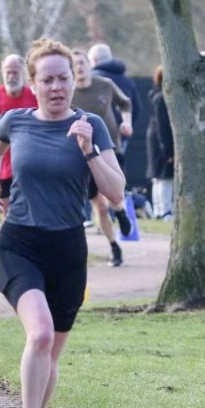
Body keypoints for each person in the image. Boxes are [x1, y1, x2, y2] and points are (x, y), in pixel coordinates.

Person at [0, 38, 125, 408]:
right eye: (48, 79)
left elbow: (115, 192)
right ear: (34, 83)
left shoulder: (91, 124)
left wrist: (89, 151)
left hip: (67, 251)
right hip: (18, 244)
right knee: (38, 334)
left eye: (64, 78)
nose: (57, 86)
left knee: (51, 354)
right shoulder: (15, 121)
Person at [71, 49, 134, 266]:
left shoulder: (105, 85)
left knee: (114, 195)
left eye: (82, 63)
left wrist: (127, 122)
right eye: (74, 64)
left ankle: (122, 212)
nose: (79, 67)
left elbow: (125, 103)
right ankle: (115, 247)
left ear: (89, 65)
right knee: (99, 206)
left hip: (109, 148)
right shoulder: (68, 93)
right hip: (82, 153)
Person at [0, 54, 37, 209]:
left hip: (29, 161)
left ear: (23, 73)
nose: (11, 77)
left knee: (30, 207)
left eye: (15, 72)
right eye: (8, 72)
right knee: (8, 209)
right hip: (3, 163)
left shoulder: (34, 96)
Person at [88, 43, 143, 181]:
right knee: (115, 174)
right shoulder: (127, 80)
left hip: (94, 137)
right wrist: (126, 126)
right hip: (119, 137)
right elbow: (136, 107)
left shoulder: (92, 80)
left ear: (94, 60)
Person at [147, 65, 174, 219]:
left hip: (157, 141)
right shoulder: (161, 98)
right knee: (163, 177)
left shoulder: (156, 96)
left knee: (159, 177)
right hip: (161, 142)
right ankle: (163, 210)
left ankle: (160, 210)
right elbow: (163, 125)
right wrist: (168, 150)